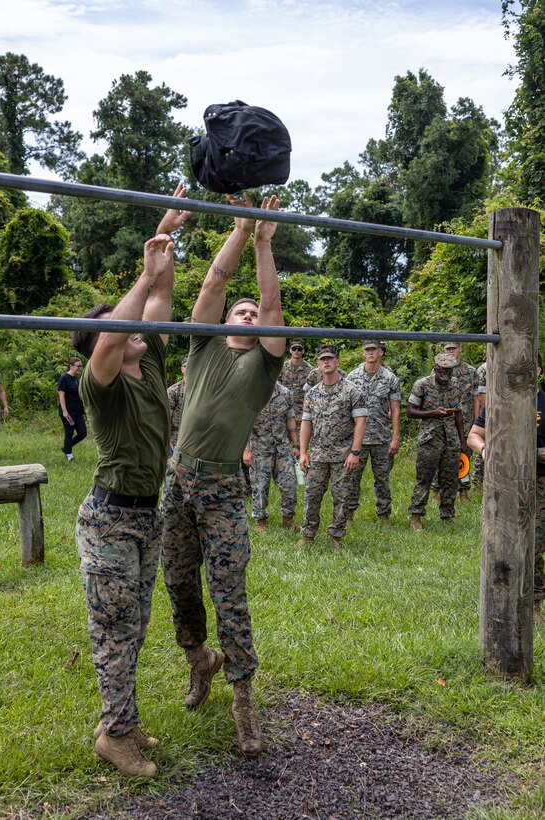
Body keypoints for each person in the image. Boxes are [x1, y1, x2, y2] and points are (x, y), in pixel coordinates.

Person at [159, 190, 285, 759]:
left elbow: (273, 303)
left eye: (253, 315)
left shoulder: (264, 365)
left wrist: (262, 243)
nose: (250, 315)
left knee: (229, 593)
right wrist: (238, 229)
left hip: (223, 490)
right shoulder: (203, 347)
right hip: (178, 482)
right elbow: (211, 285)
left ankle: (243, 702)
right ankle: (199, 662)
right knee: (179, 581)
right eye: (242, 312)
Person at [72, 229, 181, 778]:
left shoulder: (152, 364)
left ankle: (122, 719)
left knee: (134, 625)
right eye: (120, 327)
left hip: (146, 515)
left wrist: (162, 253)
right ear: (98, 347)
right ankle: (114, 737)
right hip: (110, 519)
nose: (137, 329)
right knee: (115, 627)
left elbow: (159, 301)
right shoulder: (102, 383)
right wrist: (140, 275)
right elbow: (116, 335)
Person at [467, 355, 544, 623]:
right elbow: (473, 437)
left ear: (538, 370)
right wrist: (489, 450)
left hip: (538, 484)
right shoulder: (498, 402)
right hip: (502, 484)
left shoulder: (544, 402)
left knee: (533, 545)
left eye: (529, 366)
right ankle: (503, 600)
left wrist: (529, 453)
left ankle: (534, 605)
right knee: (501, 541)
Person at [297, 344, 367, 548]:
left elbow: (361, 422)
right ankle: (307, 534)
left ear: (337, 362)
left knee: (342, 497)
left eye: (330, 359)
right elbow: (306, 423)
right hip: (318, 455)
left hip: (343, 455)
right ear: (318, 364)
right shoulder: (312, 394)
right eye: (322, 359)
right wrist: (303, 452)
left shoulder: (352, 390)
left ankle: (336, 536)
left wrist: (355, 452)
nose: (326, 362)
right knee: (312, 495)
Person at [407, 353, 465, 531]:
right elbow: (410, 411)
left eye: (449, 371)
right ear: (436, 369)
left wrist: (463, 440)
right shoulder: (422, 385)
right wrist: (433, 412)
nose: (445, 375)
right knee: (424, 478)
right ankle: (416, 516)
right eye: (442, 371)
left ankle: (447, 515)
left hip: (450, 439)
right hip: (430, 438)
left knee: (450, 479)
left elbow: (458, 413)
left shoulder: (455, 385)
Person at [346, 341, 401, 523]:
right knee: (352, 479)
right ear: (363, 353)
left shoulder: (390, 378)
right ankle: (348, 515)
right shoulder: (352, 377)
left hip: (381, 437)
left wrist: (395, 437)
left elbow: (395, 410)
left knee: (382, 479)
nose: (370, 353)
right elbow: (346, 409)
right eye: (367, 349)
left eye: (373, 350)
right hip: (357, 440)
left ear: (380, 353)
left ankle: (384, 516)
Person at [243, 381, 299, 531]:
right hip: (259, 451)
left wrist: (297, 445)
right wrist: (246, 450)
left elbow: (290, 419)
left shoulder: (286, 393)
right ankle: (260, 521)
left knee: (290, 486)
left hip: (282, 450)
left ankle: (288, 519)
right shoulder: (251, 393)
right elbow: (244, 424)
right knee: (260, 488)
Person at [431, 342, 478, 502]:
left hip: (465, 421)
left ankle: (463, 492)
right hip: (444, 421)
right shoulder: (438, 370)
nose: (451, 351)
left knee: (464, 456)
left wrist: (476, 422)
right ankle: (437, 492)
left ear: (460, 349)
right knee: (441, 456)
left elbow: (476, 398)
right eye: (447, 349)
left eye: (453, 348)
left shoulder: (471, 372)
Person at [278, 339, 313, 431]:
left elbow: (312, 392)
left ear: (303, 351)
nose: (296, 351)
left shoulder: (310, 370)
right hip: (283, 409)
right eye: (294, 349)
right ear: (290, 350)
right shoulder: (281, 368)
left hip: (301, 411)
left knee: (300, 442)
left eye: (299, 349)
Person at [57, 357, 86, 460]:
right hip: (68, 411)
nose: (80, 368)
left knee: (83, 433)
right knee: (69, 433)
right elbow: (61, 395)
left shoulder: (77, 378)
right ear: (71, 366)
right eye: (78, 366)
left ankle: (66, 447)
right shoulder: (64, 378)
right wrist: (65, 411)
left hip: (78, 410)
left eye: (81, 366)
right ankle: (69, 455)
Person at [168, 355, 188, 451]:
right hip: (176, 438)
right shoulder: (174, 391)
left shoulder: (203, 390)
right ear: (182, 369)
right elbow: (165, 418)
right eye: (186, 366)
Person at [471, 361, 487, 489]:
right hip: (490, 412)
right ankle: (477, 482)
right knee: (483, 447)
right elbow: (481, 396)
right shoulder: (484, 369)